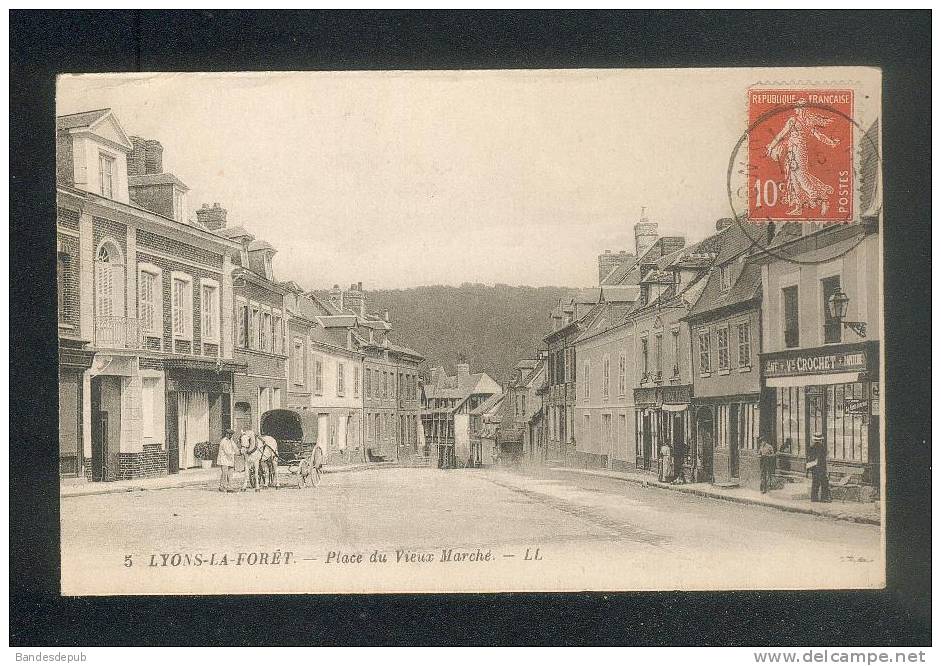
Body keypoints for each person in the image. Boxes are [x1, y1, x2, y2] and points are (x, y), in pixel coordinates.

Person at [807, 432, 831, 503]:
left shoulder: (811, 447)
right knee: (824, 483)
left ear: (814, 440)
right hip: (821, 468)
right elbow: (823, 459)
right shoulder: (823, 448)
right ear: (821, 440)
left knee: (815, 483)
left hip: (814, 468)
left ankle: (814, 498)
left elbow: (809, 458)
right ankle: (824, 498)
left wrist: (809, 469)